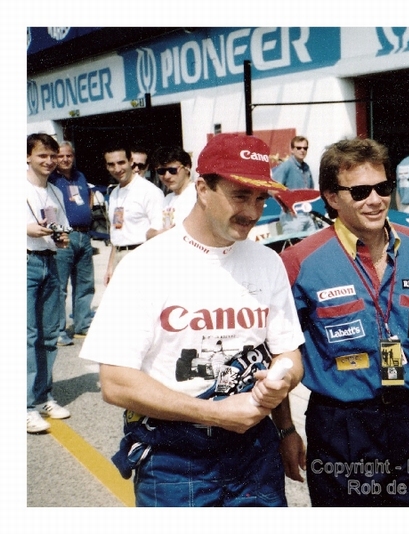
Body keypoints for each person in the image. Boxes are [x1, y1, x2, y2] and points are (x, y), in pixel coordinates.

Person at [79, 133, 306, 507]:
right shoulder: (145, 264)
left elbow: (287, 355)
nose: (253, 211)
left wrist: (283, 413)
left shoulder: (267, 263)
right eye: (240, 196)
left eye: (261, 198)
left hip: (255, 454)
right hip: (174, 460)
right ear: (202, 188)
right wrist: (216, 413)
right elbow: (116, 383)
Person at [280, 137, 409, 506]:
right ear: (331, 197)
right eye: (359, 191)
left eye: (382, 188)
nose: (374, 200)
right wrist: (286, 430)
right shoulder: (300, 262)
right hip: (342, 427)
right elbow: (280, 350)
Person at [27, 133, 73, 433]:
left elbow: (61, 226)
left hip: (49, 261)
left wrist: (62, 236)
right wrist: (29, 229)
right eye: (42, 155)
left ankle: (43, 395)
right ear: (28, 157)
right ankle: (24, 405)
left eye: (52, 156)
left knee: (48, 335)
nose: (48, 161)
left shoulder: (55, 191)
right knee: (26, 336)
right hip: (24, 260)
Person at [48, 141, 96, 347]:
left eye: (69, 155)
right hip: (64, 236)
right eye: (60, 156)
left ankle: (82, 325)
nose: (65, 159)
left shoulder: (80, 176)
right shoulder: (51, 179)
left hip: (84, 236)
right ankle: (58, 330)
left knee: (85, 284)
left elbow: (88, 197)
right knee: (60, 287)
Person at [103, 144, 164, 285]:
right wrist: (111, 266)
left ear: (131, 161)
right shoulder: (114, 193)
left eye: (121, 162)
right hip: (119, 257)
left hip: (141, 258)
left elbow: (158, 232)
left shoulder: (149, 191)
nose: (117, 169)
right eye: (111, 164)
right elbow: (116, 232)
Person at [270, 135, 316, 233]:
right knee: (295, 246)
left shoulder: (306, 168)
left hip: (307, 214)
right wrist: (287, 206)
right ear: (292, 150)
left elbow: (311, 190)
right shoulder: (287, 166)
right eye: (298, 148)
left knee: (313, 245)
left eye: (305, 148)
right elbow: (272, 188)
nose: (302, 150)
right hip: (292, 217)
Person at [152, 146, 196, 232]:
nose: (167, 176)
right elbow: (151, 232)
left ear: (187, 168)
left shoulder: (197, 195)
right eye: (161, 171)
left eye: (172, 170)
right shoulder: (167, 199)